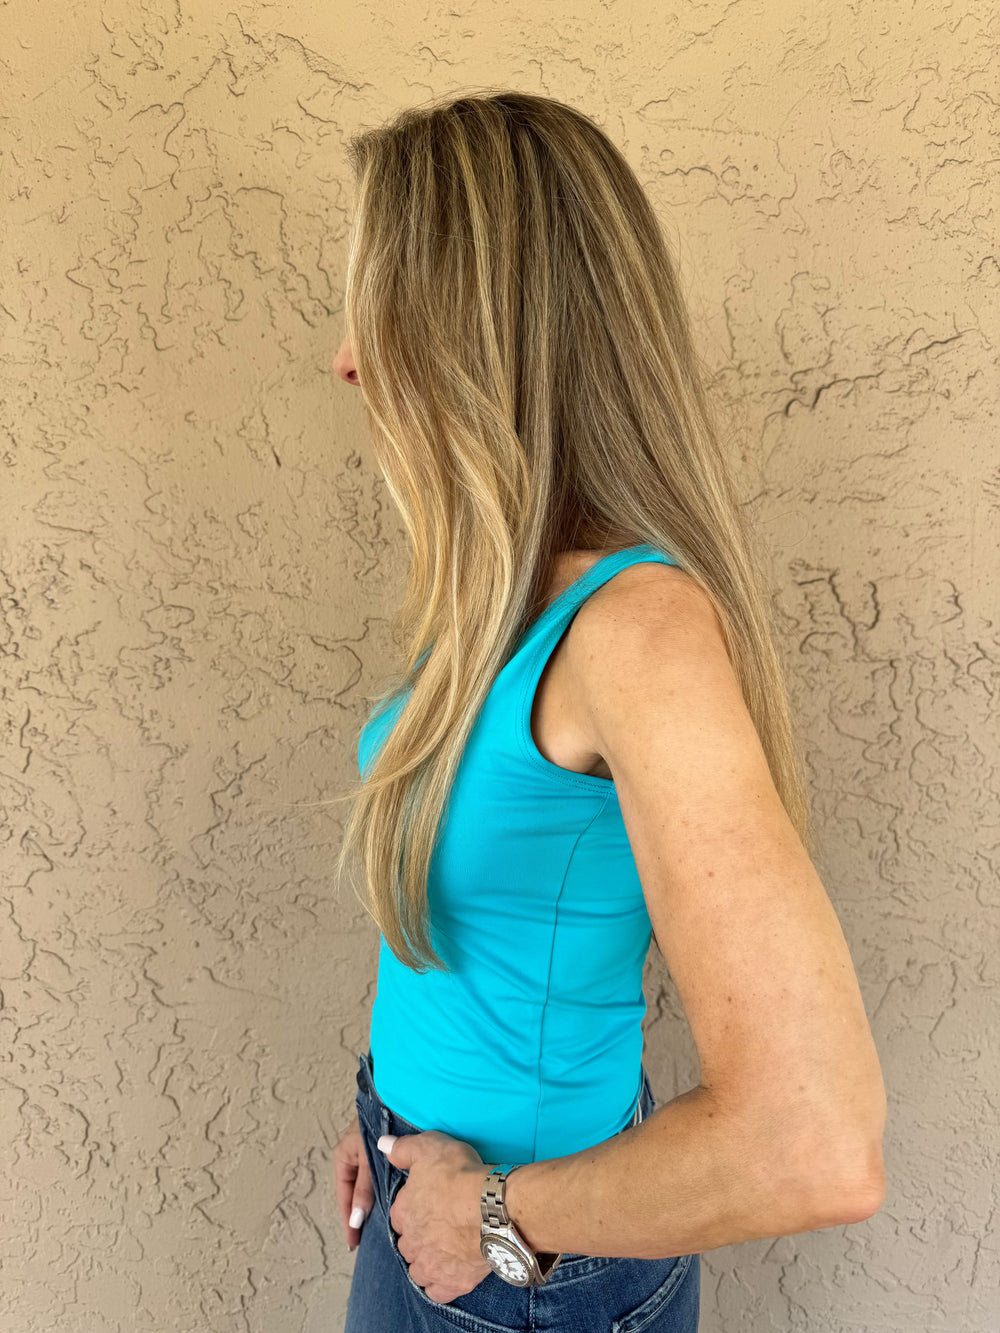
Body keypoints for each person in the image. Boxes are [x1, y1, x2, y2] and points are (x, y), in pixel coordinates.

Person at [327, 90, 887, 1332]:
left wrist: (490, 1215)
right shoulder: (502, 601)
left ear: (470, 329)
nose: (348, 359)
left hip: (515, 1270)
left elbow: (815, 1140)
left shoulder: (635, 632)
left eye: (376, 308)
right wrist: (389, 1109)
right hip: (429, 1187)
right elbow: (486, 913)